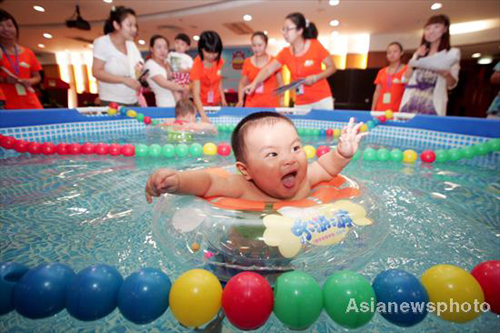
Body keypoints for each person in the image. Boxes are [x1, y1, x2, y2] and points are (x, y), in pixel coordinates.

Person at [145, 112, 366, 204]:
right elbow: (208, 182)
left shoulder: (305, 179)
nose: (289, 159)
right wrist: (177, 181)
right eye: (273, 154)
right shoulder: (244, 188)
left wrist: (341, 153)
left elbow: (326, 168)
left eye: (295, 147)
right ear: (246, 170)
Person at [244, 13, 336, 110]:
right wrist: (254, 83)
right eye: (283, 29)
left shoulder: (315, 45)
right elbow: (268, 70)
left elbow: (332, 67)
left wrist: (315, 77)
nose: (284, 33)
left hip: (322, 100)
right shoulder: (285, 53)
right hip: (301, 102)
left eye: (288, 29)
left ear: (300, 30)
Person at [400, 14, 460, 116]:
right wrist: (415, 59)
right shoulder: (419, 52)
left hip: (433, 104)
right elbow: (405, 79)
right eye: (428, 28)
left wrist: (446, 74)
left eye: (436, 27)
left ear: (445, 29)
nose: (431, 31)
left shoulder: (452, 53)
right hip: (410, 102)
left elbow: (452, 84)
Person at [92, 6, 144, 107]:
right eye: (129, 25)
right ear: (116, 25)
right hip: (112, 101)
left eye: (135, 25)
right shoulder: (102, 43)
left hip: (133, 100)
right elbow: (97, 71)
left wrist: (141, 73)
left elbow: (138, 68)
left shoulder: (131, 45)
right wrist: (124, 80)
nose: (134, 29)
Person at [0, 9, 43, 110]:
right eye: (1, 26)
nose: (6, 29)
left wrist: (29, 81)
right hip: (5, 101)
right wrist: (4, 79)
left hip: (29, 99)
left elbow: (37, 77)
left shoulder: (28, 52)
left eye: (9, 25)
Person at [236, 31, 282, 108]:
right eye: (254, 45)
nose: (257, 48)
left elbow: (281, 85)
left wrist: (282, 101)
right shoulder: (247, 62)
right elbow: (242, 84)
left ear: (266, 45)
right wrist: (240, 100)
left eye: (260, 45)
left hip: (270, 106)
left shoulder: (274, 62)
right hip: (251, 106)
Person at [190, 30, 227, 122]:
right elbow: (195, 94)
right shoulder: (197, 65)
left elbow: (219, 81)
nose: (212, 56)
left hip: (215, 103)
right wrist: (203, 115)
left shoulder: (219, 61)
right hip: (201, 106)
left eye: (215, 52)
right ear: (201, 49)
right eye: (208, 52)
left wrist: (223, 98)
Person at [144, 35, 188, 107]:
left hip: (178, 105)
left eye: (165, 47)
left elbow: (175, 78)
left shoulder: (167, 63)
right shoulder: (150, 65)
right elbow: (164, 83)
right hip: (165, 106)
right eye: (159, 47)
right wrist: (184, 87)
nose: (162, 50)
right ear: (151, 49)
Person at [371, 42, 407, 112]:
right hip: (381, 109)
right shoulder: (381, 72)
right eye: (389, 52)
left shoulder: (407, 70)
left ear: (401, 53)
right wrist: (373, 109)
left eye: (395, 51)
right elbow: (377, 92)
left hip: (398, 110)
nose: (392, 54)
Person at [167, 33, 194, 102]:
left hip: (184, 78)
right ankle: (178, 104)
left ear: (187, 47)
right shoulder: (171, 54)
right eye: (177, 43)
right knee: (176, 94)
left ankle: (184, 103)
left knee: (186, 91)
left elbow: (192, 70)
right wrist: (169, 71)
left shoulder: (188, 58)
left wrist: (184, 70)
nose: (179, 46)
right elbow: (167, 64)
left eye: (182, 44)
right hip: (174, 77)